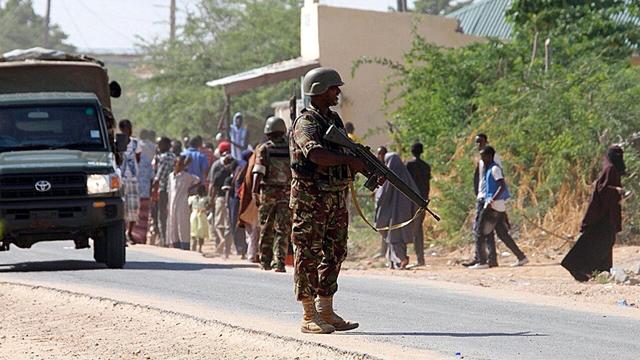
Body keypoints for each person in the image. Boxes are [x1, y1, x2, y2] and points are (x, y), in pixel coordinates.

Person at [290, 67, 368, 334]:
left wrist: (363, 165)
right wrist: (350, 160)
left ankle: (326, 309)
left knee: (335, 253)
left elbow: (345, 152)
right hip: (310, 200)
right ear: (320, 91)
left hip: (335, 198)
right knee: (308, 253)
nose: (338, 92)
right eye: (334, 88)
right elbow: (316, 155)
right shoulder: (306, 123)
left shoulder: (333, 120)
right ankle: (309, 314)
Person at [561, 146, 626, 282]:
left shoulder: (611, 169)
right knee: (599, 243)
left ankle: (602, 272)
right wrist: (618, 191)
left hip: (606, 214)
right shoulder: (610, 169)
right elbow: (603, 190)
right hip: (603, 215)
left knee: (605, 243)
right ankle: (579, 269)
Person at [469, 146, 528, 269]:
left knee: (480, 232)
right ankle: (521, 257)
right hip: (498, 207)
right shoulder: (488, 169)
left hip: (492, 206)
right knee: (502, 234)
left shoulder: (495, 169)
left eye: (483, 156)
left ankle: (482, 262)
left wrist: (493, 198)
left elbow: (502, 186)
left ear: (490, 156)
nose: (482, 159)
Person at [252, 116, 292, 273]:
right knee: (283, 229)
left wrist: (255, 191)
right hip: (286, 193)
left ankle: (265, 261)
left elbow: (258, 171)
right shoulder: (290, 149)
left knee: (266, 227)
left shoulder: (265, 148)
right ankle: (280, 263)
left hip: (268, 193)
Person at [375, 153, 419, 269]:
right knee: (399, 238)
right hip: (404, 214)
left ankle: (401, 260)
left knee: (393, 237)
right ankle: (396, 261)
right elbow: (416, 196)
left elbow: (381, 196)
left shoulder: (388, 179)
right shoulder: (407, 179)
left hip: (391, 216)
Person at [463, 134, 501, 268]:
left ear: (486, 141)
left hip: (488, 199)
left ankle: (484, 260)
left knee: (481, 229)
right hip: (482, 197)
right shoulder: (481, 159)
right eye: (476, 142)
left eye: (480, 142)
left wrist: (491, 198)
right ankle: (483, 258)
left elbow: (498, 180)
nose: (478, 144)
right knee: (485, 230)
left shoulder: (493, 158)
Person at [405, 142, 431, 267]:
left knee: (412, 229)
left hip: (411, 200)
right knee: (418, 229)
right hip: (422, 200)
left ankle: (416, 259)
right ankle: (420, 258)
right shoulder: (426, 166)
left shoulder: (409, 165)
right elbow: (427, 185)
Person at [167, 155, 200, 249]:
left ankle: (184, 245)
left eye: (182, 164)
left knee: (182, 224)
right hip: (172, 203)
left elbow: (198, 180)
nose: (180, 166)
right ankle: (174, 243)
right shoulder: (171, 176)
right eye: (179, 164)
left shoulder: (186, 176)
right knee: (173, 224)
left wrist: (189, 189)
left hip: (182, 203)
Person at [118, 119, 141, 243]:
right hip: (121, 179)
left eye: (129, 127)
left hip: (132, 178)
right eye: (126, 127)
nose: (128, 130)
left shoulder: (136, 143)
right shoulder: (117, 143)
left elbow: (138, 159)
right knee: (123, 207)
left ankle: (130, 233)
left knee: (133, 206)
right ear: (122, 129)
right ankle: (122, 233)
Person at [209, 154, 235, 258]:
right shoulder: (234, 173)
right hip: (230, 200)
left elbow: (213, 188)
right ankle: (226, 252)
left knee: (217, 224)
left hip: (220, 199)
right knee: (228, 225)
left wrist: (211, 199)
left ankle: (221, 240)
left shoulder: (219, 173)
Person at [152, 137, 176, 247]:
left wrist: (153, 188)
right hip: (172, 189)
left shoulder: (164, 157)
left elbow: (159, 176)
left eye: (159, 144)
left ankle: (164, 239)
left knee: (161, 215)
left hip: (164, 189)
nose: (158, 146)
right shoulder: (173, 156)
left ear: (166, 145)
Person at [189, 185, 210, 253]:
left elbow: (189, 206)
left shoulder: (193, 198)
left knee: (194, 231)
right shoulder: (206, 199)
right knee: (200, 232)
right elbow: (208, 207)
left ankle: (194, 247)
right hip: (201, 215)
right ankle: (199, 248)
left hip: (195, 214)